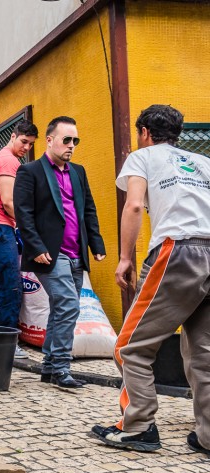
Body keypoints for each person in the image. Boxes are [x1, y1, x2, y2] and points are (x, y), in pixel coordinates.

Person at [90, 104, 210, 453]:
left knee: (130, 347)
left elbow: (134, 206)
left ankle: (138, 426)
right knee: (204, 353)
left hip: (178, 253)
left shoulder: (142, 157)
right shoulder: (203, 162)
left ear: (144, 132)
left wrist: (125, 257)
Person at [14, 116, 106, 389]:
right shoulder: (29, 171)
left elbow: (88, 208)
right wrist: (36, 246)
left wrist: (97, 245)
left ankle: (50, 367)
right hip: (50, 254)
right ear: (50, 140)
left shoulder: (78, 171)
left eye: (75, 140)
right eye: (66, 140)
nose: (71, 145)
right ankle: (62, 368)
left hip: (77, 252)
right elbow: (24, 213)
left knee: (61, 309)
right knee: (68, 304)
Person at [0, 120, 39, 359]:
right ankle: (6, 343)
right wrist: (30, 226)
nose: (26, 147)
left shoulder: (5, 158)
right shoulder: (8, 160)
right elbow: (8, 201)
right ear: (13, 137)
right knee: (11, 286)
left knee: (6, 284)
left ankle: (2, 342)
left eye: (30, 144)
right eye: (23, 142)